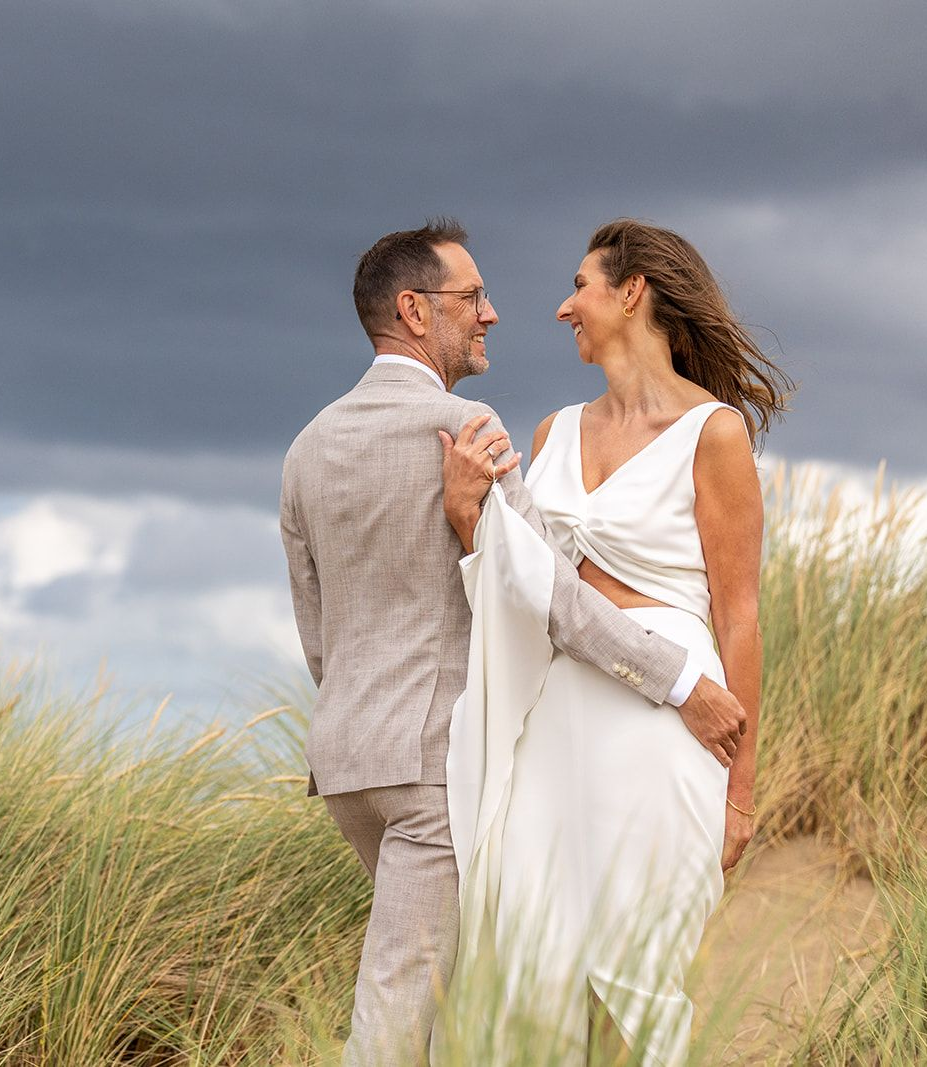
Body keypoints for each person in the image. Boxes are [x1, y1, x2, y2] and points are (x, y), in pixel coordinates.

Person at [278, 218, 749, 1067]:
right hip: (469, 752)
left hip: (355, 755)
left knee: (497, 988)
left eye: (576, 286)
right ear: (414, 310)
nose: (497, 312)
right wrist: (679, 679)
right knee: (429, 992)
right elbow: (550, 593)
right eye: (473, 297)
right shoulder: (483, 427)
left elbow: (318, 633)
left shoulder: (307, 446)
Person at [439, 218, 793, 1064]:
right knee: (535, 960)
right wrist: (466, 519)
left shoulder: (713, 434)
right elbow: (527, 582)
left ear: (632, 292)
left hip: (667, 728)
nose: (564, 307)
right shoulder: (552, 432)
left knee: (633, 978)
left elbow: (740, 616)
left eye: (581, 286)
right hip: (554, 720)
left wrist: (741, 794)